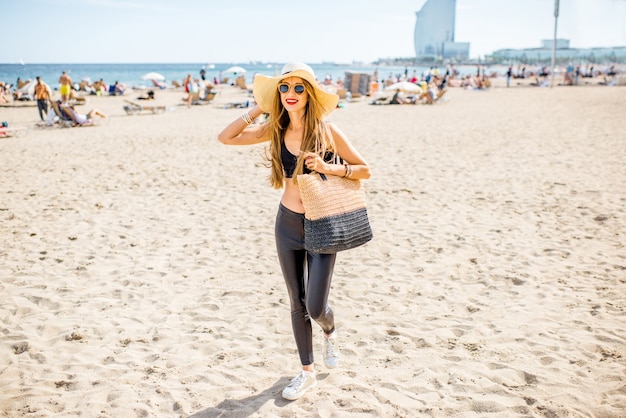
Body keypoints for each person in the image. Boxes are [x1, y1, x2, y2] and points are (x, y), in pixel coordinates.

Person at [217, 62, 371, 401]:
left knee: (316, 308)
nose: (291, 94)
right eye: (284, 88)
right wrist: (260, 106)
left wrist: (329, 166)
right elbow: (225, 138)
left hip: (322, 222)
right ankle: (307, 372)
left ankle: (330, 331)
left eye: (299, 88)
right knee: (296, 302)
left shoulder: (328, 131)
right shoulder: (274, 129)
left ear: (310, 94)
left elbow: (365, 170)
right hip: (286, 223)